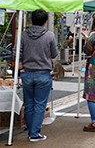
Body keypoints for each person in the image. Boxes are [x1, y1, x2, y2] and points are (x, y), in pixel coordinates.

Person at [15, 8, 58, 141]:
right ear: (45, 22)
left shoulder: (23, 35)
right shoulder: (50, 35)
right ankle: (34, 133)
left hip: (27, 73)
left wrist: (21, 68)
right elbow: (54, 54)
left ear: (31, 20)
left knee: (28, 103)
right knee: (40, 104)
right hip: (43, 74)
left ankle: (30, 127)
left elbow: (17, 53)